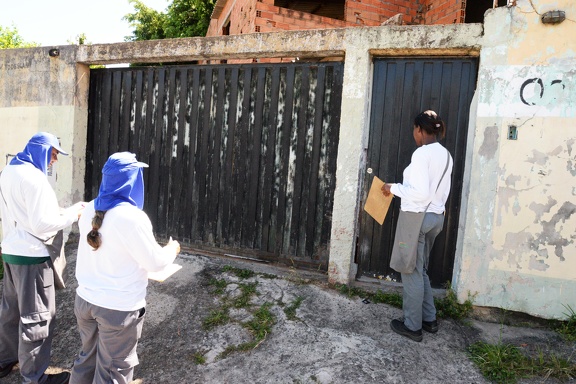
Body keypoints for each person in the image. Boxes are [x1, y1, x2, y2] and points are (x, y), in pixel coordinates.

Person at [70, 152, 180, 384]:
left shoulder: (89, 209)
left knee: (87, 360)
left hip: (85, 301)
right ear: (132, 179)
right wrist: (172, 249)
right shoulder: (132, 218)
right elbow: (155, 263)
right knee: (113, 370)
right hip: (117, 310)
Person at [0, 132, 85, 384]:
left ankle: (4, 361)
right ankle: (34, 377)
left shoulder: (8, 171)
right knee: (37, 318)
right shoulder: (35, 179)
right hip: (33, 258)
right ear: (41, 150)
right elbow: (42, 225)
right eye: (54, 153)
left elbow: (22, 212)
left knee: (10, 311)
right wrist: (72, 214)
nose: (54, 160)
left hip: (11, 251)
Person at [381, 110, 453, 342]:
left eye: (415, 130)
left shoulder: (422, 154)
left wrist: (392, 188)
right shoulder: (446, 155)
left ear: (419, 129)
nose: (414, 134)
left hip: (417, 218)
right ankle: (429, 319)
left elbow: (420, 193)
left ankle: (412, 326)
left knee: (410, 270)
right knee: (420, 269)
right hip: (436, 217)